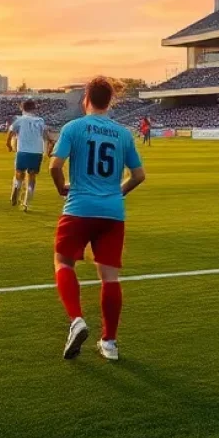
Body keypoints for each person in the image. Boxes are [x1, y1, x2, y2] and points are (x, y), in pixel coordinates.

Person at [50, 77, 145, 362]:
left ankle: (77, 319)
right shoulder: (123, 133)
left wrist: (61, 188)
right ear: (111, 101)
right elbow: (139, 175)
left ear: (86, 98)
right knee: (110, 278)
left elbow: (55, 166)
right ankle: (110, 343)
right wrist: (119, 192)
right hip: (112, 213)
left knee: (63, 262)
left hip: (79, 207)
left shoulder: (74, 128)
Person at [7, 99, 48, 211]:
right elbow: (45, 135)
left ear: (22, 108)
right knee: (32, 176)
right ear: (34, 109)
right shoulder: (40, 120)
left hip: (23, 151)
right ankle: (26, 202)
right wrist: (48, 148)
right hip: (37, 152)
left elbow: (10, 132)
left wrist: (8, 144)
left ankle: (17, 187)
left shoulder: (19, 120)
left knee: (19, 173)